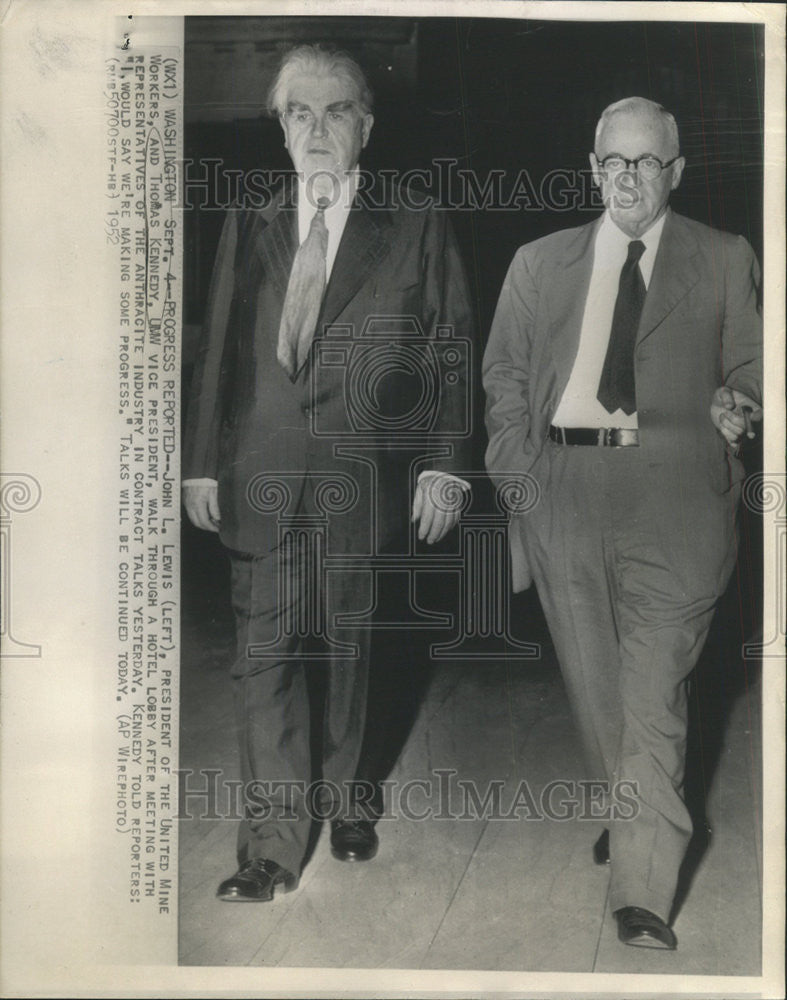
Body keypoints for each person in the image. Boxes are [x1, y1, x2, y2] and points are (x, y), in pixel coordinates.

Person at [183, 45, 473, 901]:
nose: (316, 129)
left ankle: (348, 801)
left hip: (364, 477)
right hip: (257, 473)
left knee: (352, 648)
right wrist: (198, 465)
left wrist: (446, 469)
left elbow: (450, 349)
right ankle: (270, 847)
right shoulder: (252, 218)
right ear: (279, 130)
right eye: (297, 113)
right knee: (261, 657)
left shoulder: (415, 221)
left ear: (365, 128)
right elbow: (219, 355)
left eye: (335, 111)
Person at [483, 97, 762, 950]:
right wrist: (518, 475)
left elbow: (754, 364)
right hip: (563, 488)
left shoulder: (721, 258)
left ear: (675, 171)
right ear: (592, 168)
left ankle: (640, 888)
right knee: (598, 687)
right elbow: (503, 376)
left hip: (674, 497)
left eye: (647, 162)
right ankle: (630, 809)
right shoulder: (539, 263)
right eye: (615, 161)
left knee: (652, 696)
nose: (629, 177)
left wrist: (740, 405)